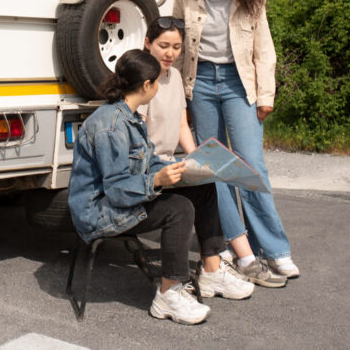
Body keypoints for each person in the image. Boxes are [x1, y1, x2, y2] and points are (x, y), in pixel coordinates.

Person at [68, 49, 252, 325]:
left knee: (202, 187)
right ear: (146, 86)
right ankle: (168, 292)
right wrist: (156, 180)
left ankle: (212, 270)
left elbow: (145, 162)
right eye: (156, 82)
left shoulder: (130, 117)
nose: (158, 87)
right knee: (178, 209)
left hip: (118, 199)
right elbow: (117, 190)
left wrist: (182, 169)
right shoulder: (111, 127)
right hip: (98, 213)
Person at [172, 0, 300, 279]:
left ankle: (274, 249)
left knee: (251, 166)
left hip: (237, 83)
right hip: (199, 84)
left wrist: (265, 96)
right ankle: (232, 246)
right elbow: (177, 46)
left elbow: (265, 49)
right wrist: (179, 97)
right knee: (214, 167)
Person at [141, 16, 287, 289]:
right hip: (150, 165)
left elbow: (182, 123)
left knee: (213, 174)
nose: (170, 53)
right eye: (163, 46)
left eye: (176, 47)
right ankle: (243, 261)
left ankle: (220, 266)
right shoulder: (143, 80)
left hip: (168, 159)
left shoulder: (174, 77)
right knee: (209, 184)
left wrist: (198, 155)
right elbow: (135, 133)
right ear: (147, 43)